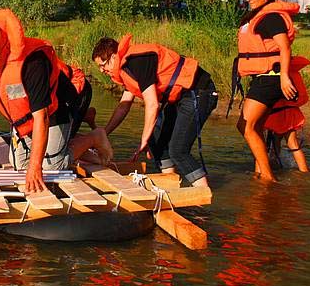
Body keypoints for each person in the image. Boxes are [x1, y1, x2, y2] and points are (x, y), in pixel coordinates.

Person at [0, 9, 111, 193]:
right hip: (25, 116)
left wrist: (36, 168)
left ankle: (94, 137)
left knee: (50, 168)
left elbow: (41, 117)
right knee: (19, 165)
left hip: (57, 108)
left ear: (6, 47)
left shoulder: (32, 64)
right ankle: (67, 143)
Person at [92, 34, 217, 188]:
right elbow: (123, 105)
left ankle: (202, 194)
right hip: (180, 98)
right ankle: (169, 187)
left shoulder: (136, 62)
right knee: (156, 142)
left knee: (178, 150)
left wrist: (143, 140)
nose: (102, 70)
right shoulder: (126, 69)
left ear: (113, 56)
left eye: (103, 65)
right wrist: (104, 133)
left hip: (198, 92)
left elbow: (152, 104)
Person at [234, 0, 310, 180]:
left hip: (272, 78)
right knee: (254, 127)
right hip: (263, 77)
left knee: (246, 126)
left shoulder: (271, 17)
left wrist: (285, 77)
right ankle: (260, 172)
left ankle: (268, 178)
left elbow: (285, 47)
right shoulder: (258, 17)